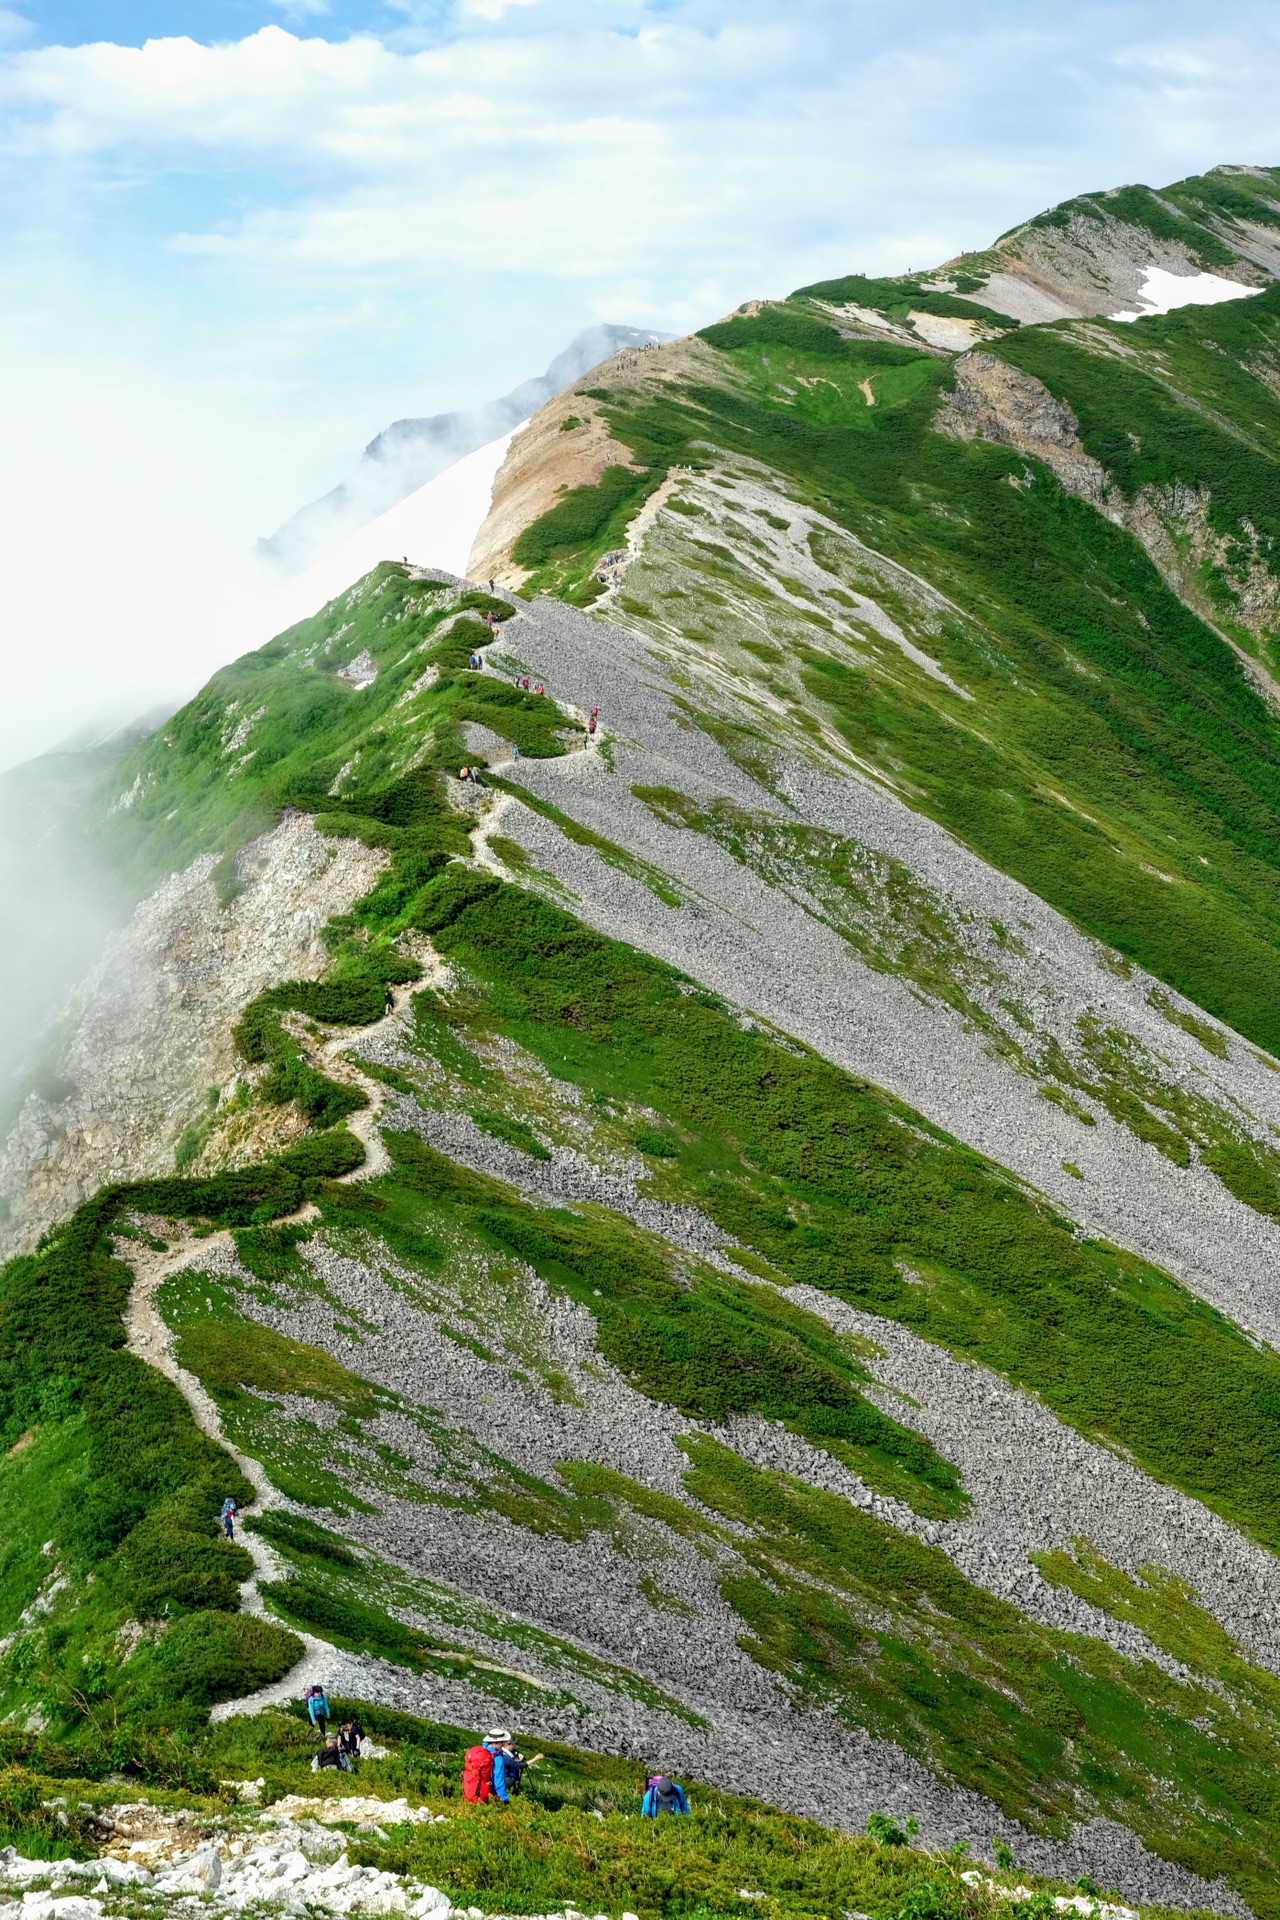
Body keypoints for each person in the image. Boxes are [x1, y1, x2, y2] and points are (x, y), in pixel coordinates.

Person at [462, 1737, 495, 1803]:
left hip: (469, 1784)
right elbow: (485, 1779)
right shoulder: (486, 1755)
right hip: (479, 1796)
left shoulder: (474, 1750)